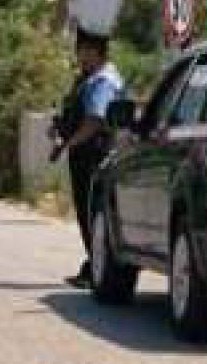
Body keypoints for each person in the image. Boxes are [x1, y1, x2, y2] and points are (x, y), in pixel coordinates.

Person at [48, 26, 124, 289]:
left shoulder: (103, 81)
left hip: (94, 155)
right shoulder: (87, 79)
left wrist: (69, 142)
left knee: (92, 213)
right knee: (85, 212)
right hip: (84, 154)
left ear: (94, 51)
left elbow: (94, 120)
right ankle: (93, 265)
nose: (79, 57)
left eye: (82, 51)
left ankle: (98, 267)